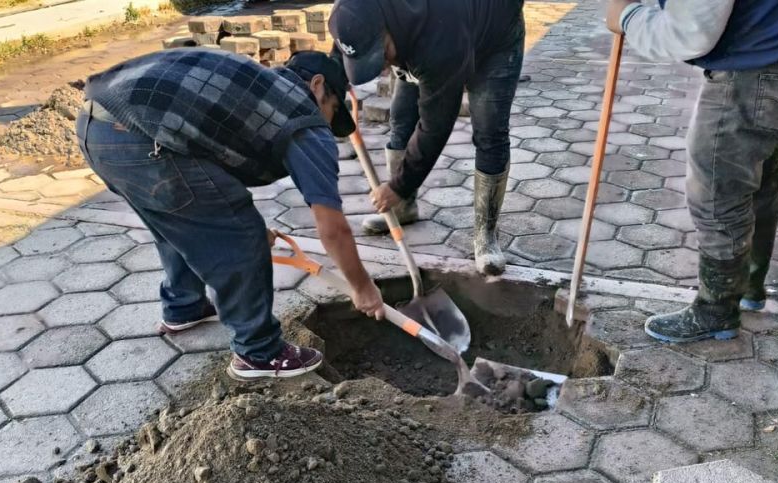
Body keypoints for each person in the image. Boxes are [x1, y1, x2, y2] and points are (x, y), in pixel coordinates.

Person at [78, 49, 385, 379]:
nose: (326, 123)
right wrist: (362, 286)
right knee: (240, 234)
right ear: (318, 86)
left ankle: (184, 305)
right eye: (333, 109)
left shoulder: (261, 86)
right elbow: (334, 229)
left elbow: (210, 163)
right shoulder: (303, 116)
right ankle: (259, 353)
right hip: (138, 135)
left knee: (178, 216)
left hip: (96, 125)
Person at [607, 0, 778, 342]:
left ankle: (716, 311)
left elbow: (690, 31)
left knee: (719, 191)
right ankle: (749, 286)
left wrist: (627, 15)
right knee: (762, 179)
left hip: (752, 71)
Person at [329, 0, 525, 276]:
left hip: (495, 41)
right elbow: (345, 41)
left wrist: (396, 186)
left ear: (389, 28)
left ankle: (486, 236)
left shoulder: (440, 42)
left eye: (382, 54)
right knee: (400, 119)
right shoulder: (355, 11)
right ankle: (404, 209)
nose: (383, 66)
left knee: (489, 132)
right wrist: (331, 83)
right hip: (425, 33)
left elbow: (435, 127)